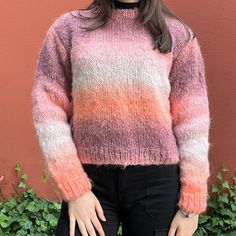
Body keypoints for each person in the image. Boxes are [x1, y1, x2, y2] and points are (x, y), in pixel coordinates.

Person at [31, 0, 212, 235]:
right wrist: (75, 188)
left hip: (157, 184)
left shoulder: (177, 34)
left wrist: (192, 203)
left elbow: (193, 121)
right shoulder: (69, 29)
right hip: (89, 180)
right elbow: (48, 108)